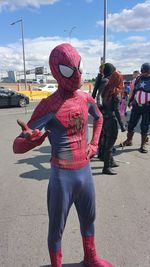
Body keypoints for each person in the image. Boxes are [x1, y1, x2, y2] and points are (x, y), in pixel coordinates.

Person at [13, 43, 115, 267]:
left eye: (78, 67)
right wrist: (31, 141)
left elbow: (99, 118)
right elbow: (17, 146)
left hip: (85, 173)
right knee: (56, 227)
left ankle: (90, 257)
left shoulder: (85, 98)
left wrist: (95, 144)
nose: (77, 74)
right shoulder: (48, 105)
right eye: (69, 70)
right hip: (62, 178)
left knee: (89, 219)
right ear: (56, 71)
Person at [100, 70, 126, 175]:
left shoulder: (106, 89)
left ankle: (111, 162)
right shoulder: (116, 93)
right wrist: (122, 125)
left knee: (106, 142)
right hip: (111, 121)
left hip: (105, 119)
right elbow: (117, 111)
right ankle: (106, 168)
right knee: (109, 146)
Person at [122, 63, 150, 153]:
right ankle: (129, 140)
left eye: (145, 72)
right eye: (142, 71)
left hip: (147, 107)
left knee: (144, 126)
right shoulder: (138, 79)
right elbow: (133, 91)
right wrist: (130, 101)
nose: (143, 73)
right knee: (131, 124)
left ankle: (143, 145)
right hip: (136, 106)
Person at [92, 63, 117, 161]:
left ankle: (102, 153)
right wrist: (102, 108)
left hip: (102, 110)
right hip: (104, 111)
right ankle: (103, 154)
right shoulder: (106, 81)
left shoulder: (104, 80)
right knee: (105, 134)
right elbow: (100, 96)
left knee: (103, 133)